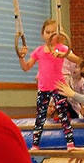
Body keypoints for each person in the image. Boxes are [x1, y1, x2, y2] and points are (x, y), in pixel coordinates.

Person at [18, 19, 79, 149]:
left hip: (58, 87)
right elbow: (26, 67)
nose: (50, 35)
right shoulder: (39, 51)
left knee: (63, 115)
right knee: (40, 116)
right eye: (47, 32)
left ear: (59, 35)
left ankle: (70, 143)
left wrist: (65, 54)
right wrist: (21, 57)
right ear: (42, 34)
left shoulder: (61, 48)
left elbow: (77, 59)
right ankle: (35, 144)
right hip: (43, 88)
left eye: (53, 32)